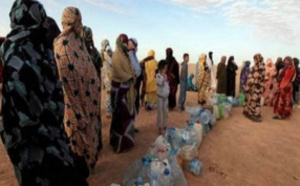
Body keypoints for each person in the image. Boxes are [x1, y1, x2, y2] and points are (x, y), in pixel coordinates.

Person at [0, 1, 88, 185]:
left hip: (49, 134)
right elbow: (29, 117)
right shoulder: (19, 53)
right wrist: (61, 158)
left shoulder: (36, 45)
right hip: (34, 144)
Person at [54, 7, 102, 170]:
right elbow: (65, 76)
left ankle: (87, 165)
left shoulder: (78, 44)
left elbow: (88, 71)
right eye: (78, 21)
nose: (80, 24)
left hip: (87, 104)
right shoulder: (61, 46)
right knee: (76, 144)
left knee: (86, 140)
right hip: (73, 107)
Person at [110, 34, 136, 153]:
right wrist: (130, 77)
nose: (126, 45)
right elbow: (118, 72)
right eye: (124, 43)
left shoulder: (126, 55)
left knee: (126, 116)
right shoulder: (116, 55)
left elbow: (131, 69)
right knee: (120, 117)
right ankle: (119, 145)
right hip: (119, 91)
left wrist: (133, 75)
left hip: (127, 89)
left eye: (127, 43)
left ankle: (127, 142)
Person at [243, 54, 266, 122]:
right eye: (254, 59)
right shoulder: (255, 66)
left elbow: (258, 77)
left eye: (255, 59)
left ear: (259, 59)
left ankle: (254, 114)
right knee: (251, 100)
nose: (254, 60)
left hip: (256, 87)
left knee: (255, 101)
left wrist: (251, 83)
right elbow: (251, 76)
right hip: (252, 87)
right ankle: (252, 113)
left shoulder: (261, 67)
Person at [156, 60, 170, 135]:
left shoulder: (165, 76)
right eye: (165, 68)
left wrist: (168, 91)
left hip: (165, 97)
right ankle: (159, 127)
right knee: (159, 113)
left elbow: (166, 85)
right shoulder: (158, 76)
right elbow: (160, 83)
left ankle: (164, 126)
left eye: (166, 68)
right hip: (160, 97)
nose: (166, 70)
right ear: (161, 68)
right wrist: (162, 75)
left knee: (165, 112)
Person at [103, 43, 113, 118]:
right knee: (108, 96)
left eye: (110, 51)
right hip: (108, 80)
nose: (109, 52)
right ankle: (108, 112)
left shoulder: (111, 59)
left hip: (112, 79)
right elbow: (104, 72)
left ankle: (111, 110)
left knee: (112, 96)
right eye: (108, 51)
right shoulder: (105, 61)